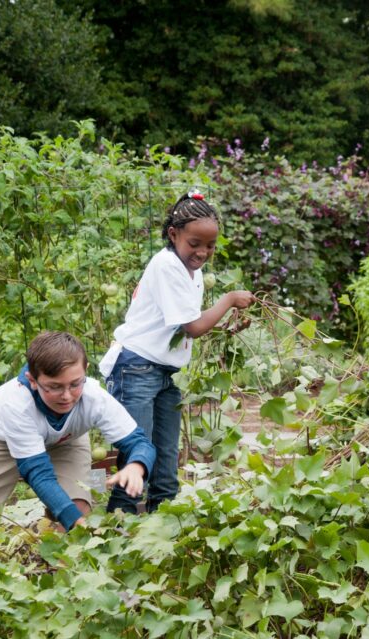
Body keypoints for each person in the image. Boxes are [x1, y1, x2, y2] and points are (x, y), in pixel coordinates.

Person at [99, 190, 253, 514]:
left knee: (166, 454)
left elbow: (191, 323)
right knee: (135, 453)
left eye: (210, 246)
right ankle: (118, 527)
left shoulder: (191, 272)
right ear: (174, 234)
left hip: (163, 372)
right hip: (136, 368)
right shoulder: (167, 265)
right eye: (195, 243)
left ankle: (164, 523)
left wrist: (229, 326)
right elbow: (193, 327)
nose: (202, 252)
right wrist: (227, 301)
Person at [0, 331, 156, 538]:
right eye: (54, 387)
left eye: (75, 384)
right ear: (32, 380)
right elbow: (38, 473)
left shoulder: (95, 398)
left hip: (66, 441)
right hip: (0, 440)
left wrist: (136, 466)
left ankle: (63, 566)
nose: (67, 396)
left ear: (85, 371)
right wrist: (74, 522)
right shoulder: (16, 404)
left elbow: (140, 443)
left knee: (78, 507)